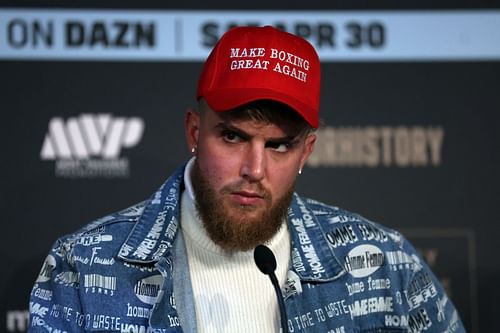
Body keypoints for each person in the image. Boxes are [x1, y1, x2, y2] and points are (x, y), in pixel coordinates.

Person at [28, 26, 466, 333]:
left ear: (306, 152)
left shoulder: (387, 267)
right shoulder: (82, 269)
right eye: (233, 136)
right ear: (195, 133)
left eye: (278, 146)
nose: (254, 170)